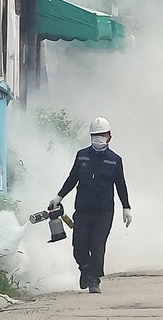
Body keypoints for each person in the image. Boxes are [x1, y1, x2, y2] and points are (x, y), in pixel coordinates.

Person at [49, 116, 131, 294]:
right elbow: (72, 178)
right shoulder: (82, 156)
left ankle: (94, 280)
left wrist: (126, 207)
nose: (98, 138)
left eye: (102, 135)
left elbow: (121, 185)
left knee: (97, 244)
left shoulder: (115, 160)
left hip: (104, 211)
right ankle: (85, 269)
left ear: (109, 136)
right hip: (83, 209)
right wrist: (59, 196)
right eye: (95, 135)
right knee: (79, 245)